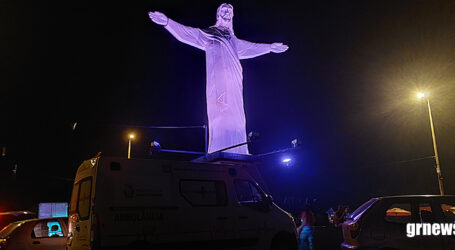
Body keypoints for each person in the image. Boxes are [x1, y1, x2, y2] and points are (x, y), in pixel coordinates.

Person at [148, 4, 288, 154]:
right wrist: (168, 23)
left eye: (230, 10)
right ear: (218, 14)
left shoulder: (233, 40)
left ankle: (240, 149)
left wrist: (270, 47)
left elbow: (251, 47)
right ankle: (220, 148)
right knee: (221, 111)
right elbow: (188, 33)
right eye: (224, 9)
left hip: (234, 80)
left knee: (238, 115)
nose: (227, 11)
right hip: (219, 82)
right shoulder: (210, 34)